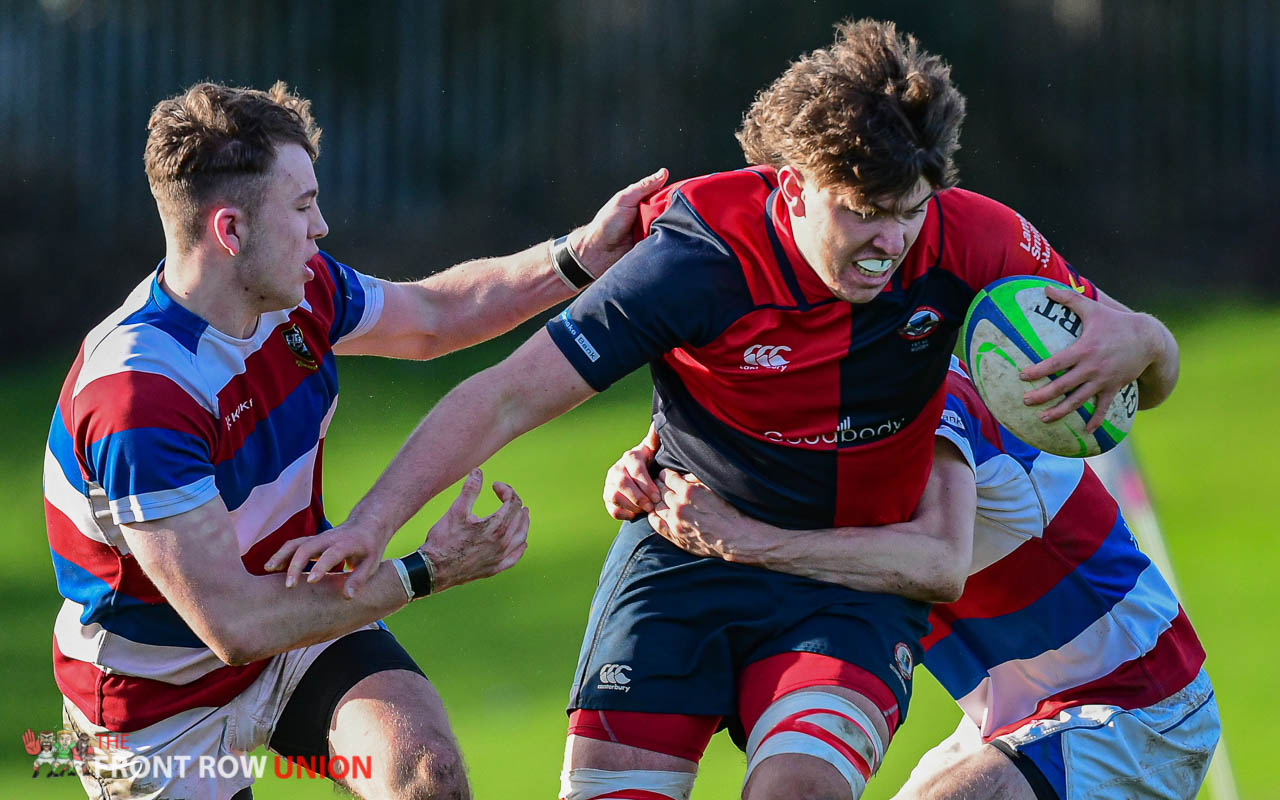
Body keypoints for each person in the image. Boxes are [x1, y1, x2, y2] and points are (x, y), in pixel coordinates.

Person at [271, 19, 1180, 800]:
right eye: (862, 212)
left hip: (848, 579)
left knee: (800, 788)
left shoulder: (971, 236)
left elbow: (1141, 375)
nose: (889, 243)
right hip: (681, 552)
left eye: (907, 211)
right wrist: (374, 522)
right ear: (791, 186)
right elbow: (505, 393)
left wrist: (1144, 339)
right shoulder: (698, 257)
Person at [43, 80, 666, 800]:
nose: (323, 228)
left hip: (295, 628)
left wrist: (581, 253)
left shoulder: (300, 292)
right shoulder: (138, 398)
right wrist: (427, 569)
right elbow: (236, 627)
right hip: (155, 708)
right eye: (303, 207)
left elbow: (437, 315)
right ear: (230, 232)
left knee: (426, 775)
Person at [604, 358, 1219, 800]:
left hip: (1138, 705)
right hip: (1010, 717)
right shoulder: (808, 386)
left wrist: (750, 542)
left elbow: (938, 562)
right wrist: (645, 469)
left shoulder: (927, 396)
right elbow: (711, 447)